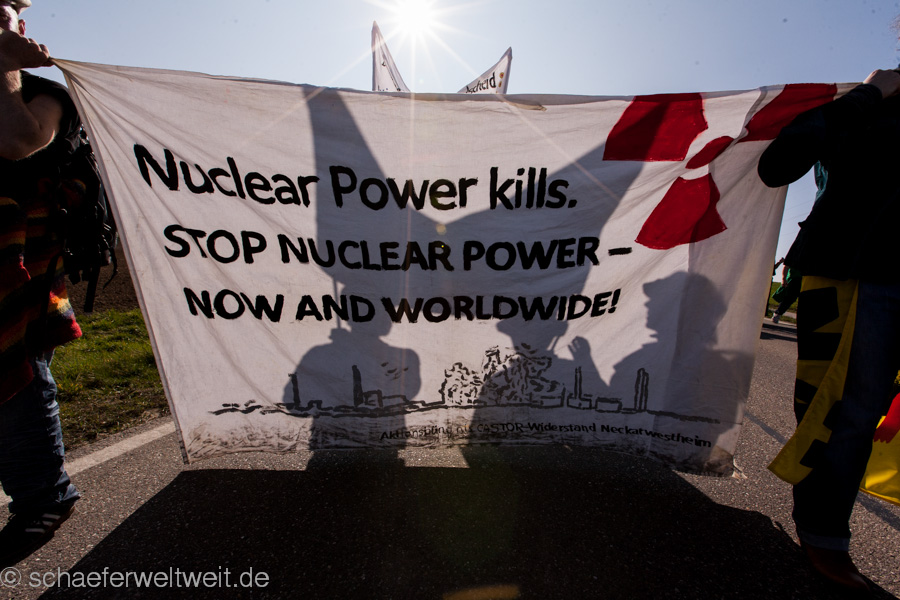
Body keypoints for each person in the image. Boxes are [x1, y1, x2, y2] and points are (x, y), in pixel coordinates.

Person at [758, 63, 900, 592]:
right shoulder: (868, 103)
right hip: (855, 273)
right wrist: (868, 94)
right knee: (847, 415)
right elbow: (779, 163)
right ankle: (824, 534)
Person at [0, 0, 83, 566]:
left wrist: (3, 64)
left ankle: (43, 498)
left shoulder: (46, 93)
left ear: (22, 27)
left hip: (23, 274)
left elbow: (18, 140)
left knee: (19, 377)